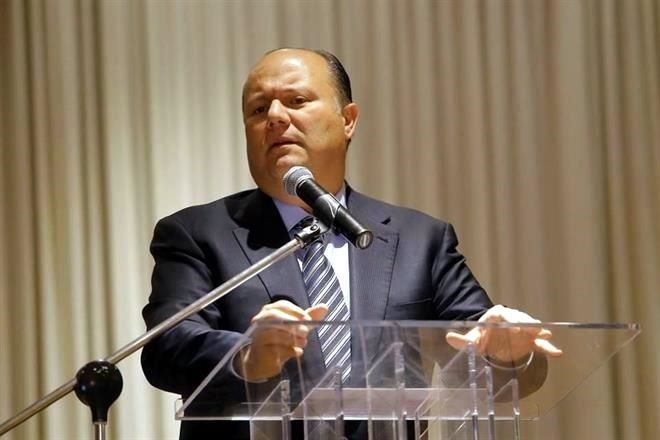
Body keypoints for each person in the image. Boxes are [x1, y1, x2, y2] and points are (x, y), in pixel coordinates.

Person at [141, 48, 561, 439]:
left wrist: (508, 353)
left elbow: (491, 355)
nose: (275, 117)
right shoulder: (197, 233)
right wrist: (248, 357)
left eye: (296, 101)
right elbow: (166, 349)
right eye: (258, 108)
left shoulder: (421, 240)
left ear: (348, 120)